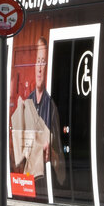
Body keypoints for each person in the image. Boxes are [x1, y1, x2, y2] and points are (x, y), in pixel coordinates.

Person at [23, 37, 65, 189]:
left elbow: (62, 168)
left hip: (45, 183)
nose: (40, 68)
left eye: (43, 62)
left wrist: (52, 155)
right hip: (26, 181)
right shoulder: (27, 103)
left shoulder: (52, 107)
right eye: (38, 61)